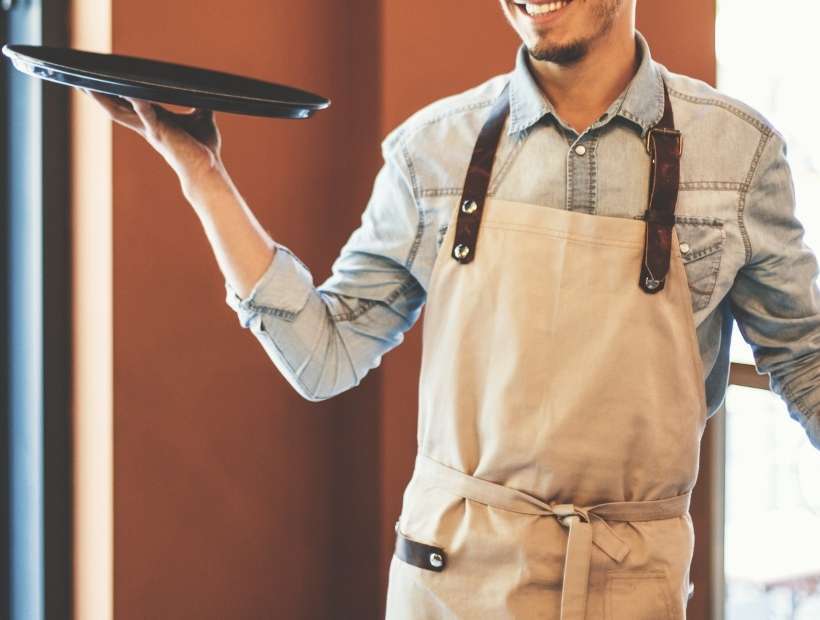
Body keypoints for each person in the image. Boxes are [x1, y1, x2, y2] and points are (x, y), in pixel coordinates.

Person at [86, 0, 820, 617]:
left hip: (633, 588)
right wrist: (202, 174)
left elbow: (805, 363)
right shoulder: (430, 151)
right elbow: (325, 356)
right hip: (453, 588)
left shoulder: (739, 154)